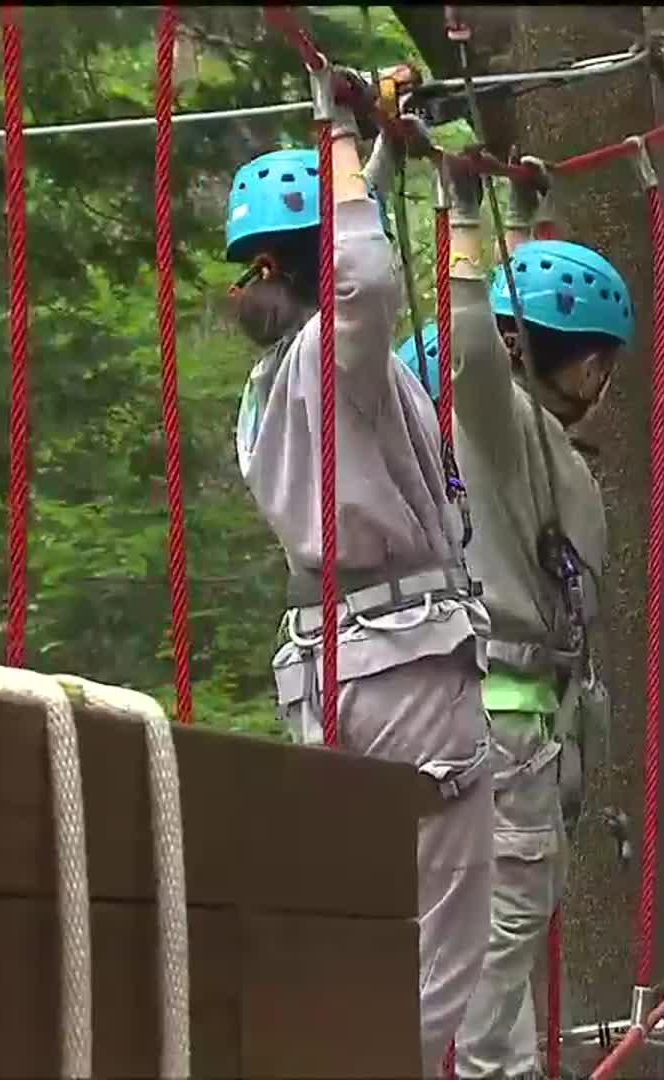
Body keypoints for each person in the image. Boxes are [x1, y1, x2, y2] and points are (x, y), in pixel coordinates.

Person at [227, 78, 494, 1077]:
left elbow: (356, 269)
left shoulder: (277, 391)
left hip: (331, 673)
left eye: (252, 269)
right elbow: (367, 283)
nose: (239, 290)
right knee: (435, 956)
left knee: (357, 926)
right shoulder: (329, 361)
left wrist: (373, 154)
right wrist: (338, 133)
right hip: (409, 673)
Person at [390, 155, 624, 1080]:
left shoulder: (527, 444)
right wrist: (461, 218)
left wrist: (522, 221)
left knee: (494, 982)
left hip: (518, 731)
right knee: (489, 1002)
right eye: (598, 357)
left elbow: (503, 346)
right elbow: (486, 349)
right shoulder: (491, 428)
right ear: (590, 361)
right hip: (509, 734)